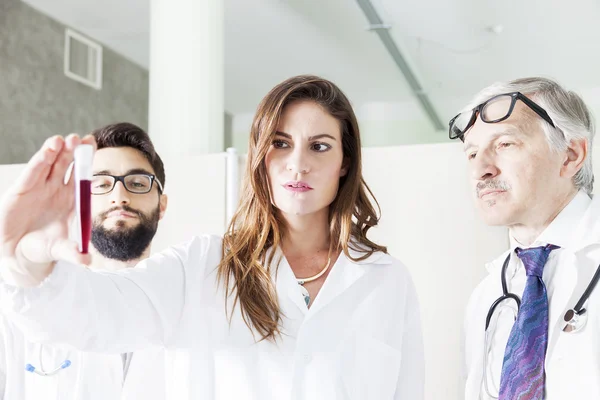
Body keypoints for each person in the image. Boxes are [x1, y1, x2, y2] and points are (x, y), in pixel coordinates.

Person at [0, 75, 424, 399]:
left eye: (319, 146)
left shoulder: (386, 281)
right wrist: (26, 262)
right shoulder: (202, 265)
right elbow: (99, 312)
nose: (297, 164)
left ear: (345, 162)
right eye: (280, 143)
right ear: (259, 155)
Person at [449, 77, 600, 399]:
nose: (481, 170)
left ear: (571, 155)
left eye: (504, 144)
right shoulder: (485, 296)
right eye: (472, 153)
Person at [0, 122, 168, 400]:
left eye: (137, 183)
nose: (119, 197)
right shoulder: (18, 309)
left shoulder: (188, 307)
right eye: (101, 184)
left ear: (162, 205)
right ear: (79, 201)